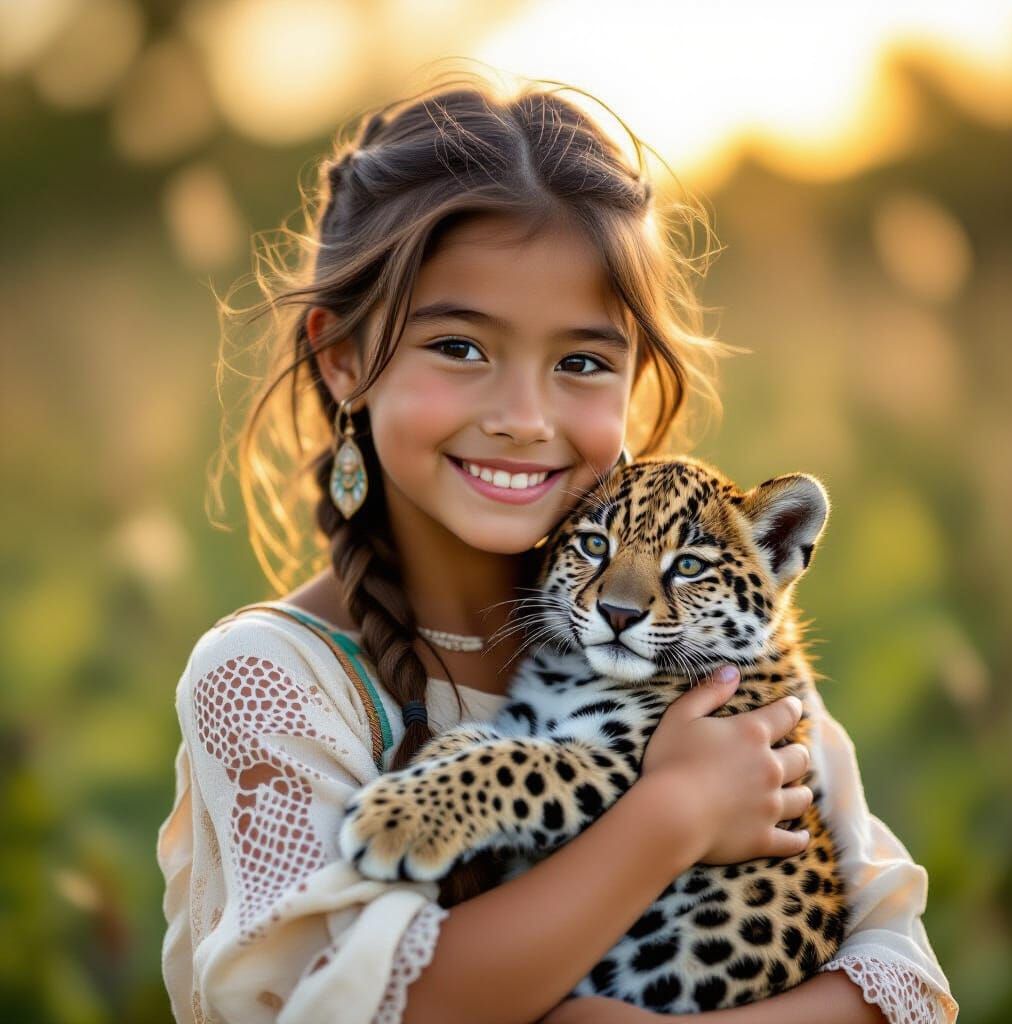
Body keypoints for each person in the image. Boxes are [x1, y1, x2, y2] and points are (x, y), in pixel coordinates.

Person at [157, 70, 958, 1024]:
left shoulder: (724, 663)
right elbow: (354, 1007)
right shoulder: (266, 681)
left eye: (581, 362)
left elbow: (909, 986)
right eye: (460, 346)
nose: (525, 417)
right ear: (342, 359)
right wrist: (670, 817)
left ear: (633, 381)